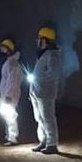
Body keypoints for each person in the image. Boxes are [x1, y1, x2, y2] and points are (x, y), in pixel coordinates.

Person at [29, 26, 62, 155]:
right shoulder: (43, 54)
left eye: (39, 38)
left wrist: (39, 78)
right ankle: (44, 140)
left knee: (47, 117)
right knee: (40, 117)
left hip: (46, 91)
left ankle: (52, 143)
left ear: (45, 39)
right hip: (38, 91)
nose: (37, 40)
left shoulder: (52, 55)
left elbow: (53, 73)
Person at [0, 38, 22, 146]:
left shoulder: (12, 63)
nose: (1, 50)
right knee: (8, 116)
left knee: (10, 116)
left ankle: (13, 137)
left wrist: (8, 95)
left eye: (3, 48)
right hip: (7, 94)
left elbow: (12, 81)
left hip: (10, 95)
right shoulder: (10, 62)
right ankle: (10, 136)